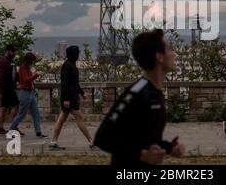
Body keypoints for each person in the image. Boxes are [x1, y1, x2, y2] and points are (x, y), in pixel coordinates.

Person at [93, 29, 185, 166]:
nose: (174, 54)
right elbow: (103, 138)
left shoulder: (156, 93)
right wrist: (142, 155)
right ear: (159, 56)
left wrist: (169, 148)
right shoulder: (136, 93)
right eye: (169, 49)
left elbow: (143, 139)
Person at [49, 46, 93, 149]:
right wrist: (65, 99)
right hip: (69, 99)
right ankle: (91, 141)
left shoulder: (72, 65)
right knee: (79, 118)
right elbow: (64, 84)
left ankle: (53, 141)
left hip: (72, 97)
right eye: (77, 53)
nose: (78, 55)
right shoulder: (67, 66)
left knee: (61, 119)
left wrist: (82, 93)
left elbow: (75, 83)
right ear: (73, 54)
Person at [8, 53, 47, 137]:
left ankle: (38, 132)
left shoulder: (26, 68)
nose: (32, 63)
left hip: (30, 93)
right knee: (21, 114)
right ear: (29, 61)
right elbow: (26, 80)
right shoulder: (23, 69)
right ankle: (11, 131)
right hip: (25, 93)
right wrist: (37, 75)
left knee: (36, 113)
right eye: (32, 61)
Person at [0, 44, 20, 135]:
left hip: (10, 87)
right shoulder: (3, 61)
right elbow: (0, 78)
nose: (14, 54)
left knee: (4, 107)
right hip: (7, 88)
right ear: (7, 51)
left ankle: (0, 128)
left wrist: (21, 80)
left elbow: (15, 74)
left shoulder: (11, 61)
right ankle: (13, 127)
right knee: (16, 105)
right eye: (12, 52)